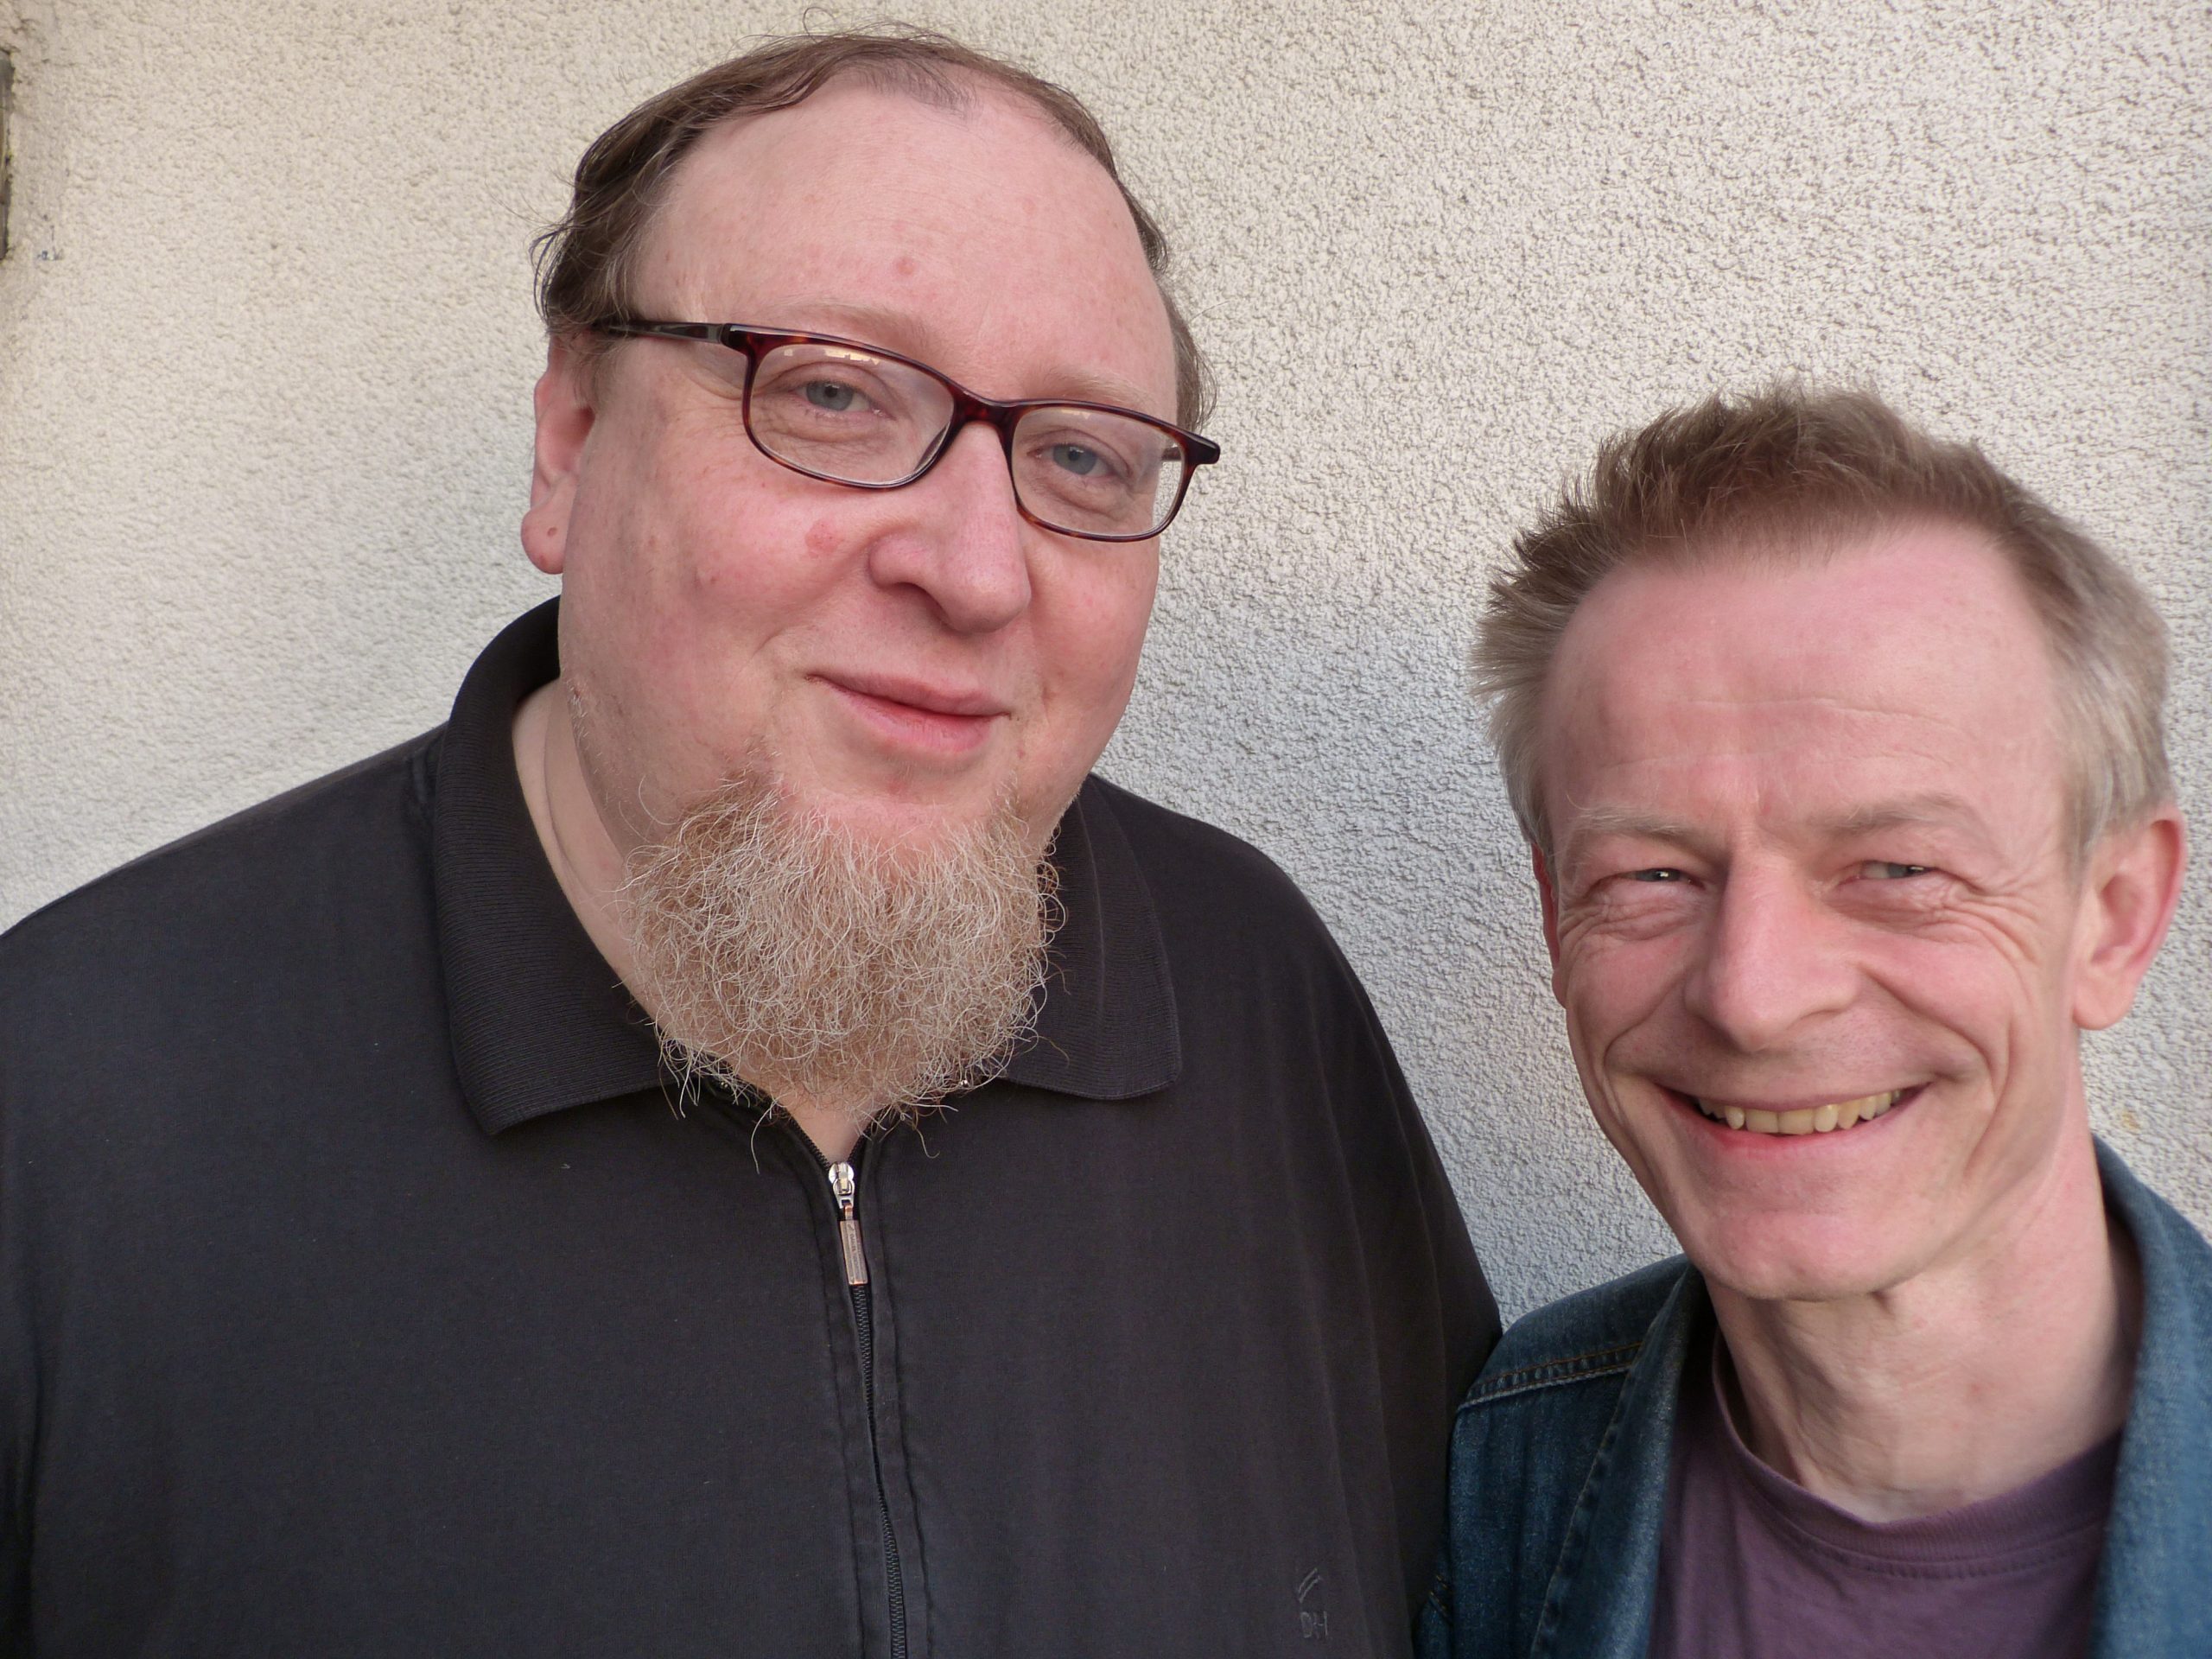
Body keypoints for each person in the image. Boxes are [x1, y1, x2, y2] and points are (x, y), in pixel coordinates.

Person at [0, 29, 1496, 1655]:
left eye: (1080, 454)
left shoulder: (1250, 989)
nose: (976, 571)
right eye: (834, 393)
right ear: (572, 442)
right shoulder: (76, 1102)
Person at [1422, 386, 2207, 1658]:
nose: (1754, 996)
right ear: (1558, 919)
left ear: (2113, 919)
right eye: (1652, 876)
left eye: (1896, 868)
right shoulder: (1504, 1470)